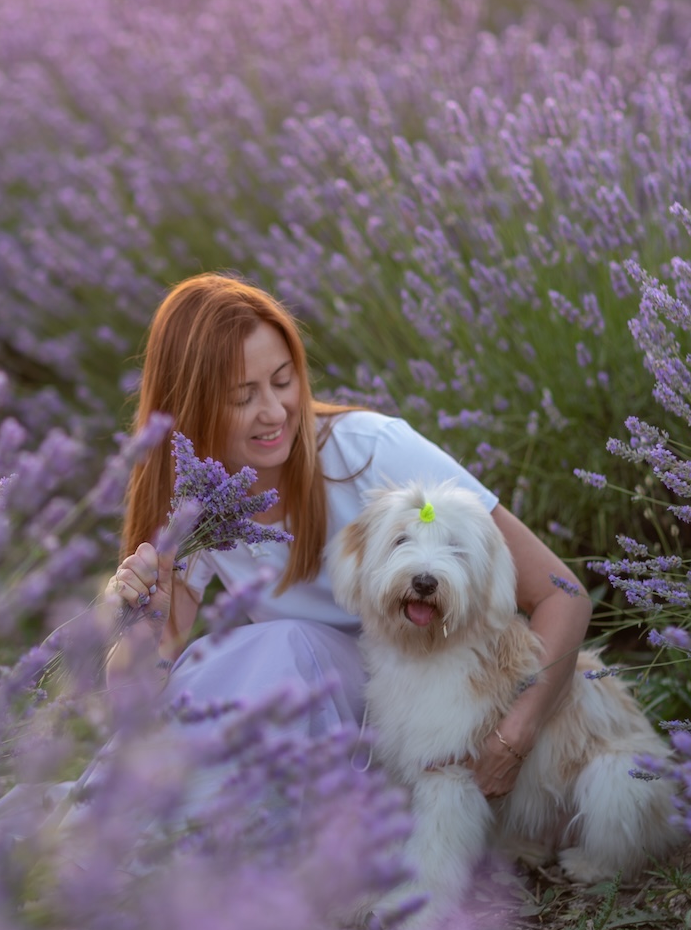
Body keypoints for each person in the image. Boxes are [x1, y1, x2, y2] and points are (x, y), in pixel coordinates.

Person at [104, 272, 591, 800]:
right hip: (308, 723)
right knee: (210, 668)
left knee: (285, 644)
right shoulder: (192, 498)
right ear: (193, 407)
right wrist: (140, 623)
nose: (275, 412)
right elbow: (143, 700)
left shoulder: (372, 452)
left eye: (284, 380)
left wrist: (515, 734)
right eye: (243, 396)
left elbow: (563, 596)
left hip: (417, 713)